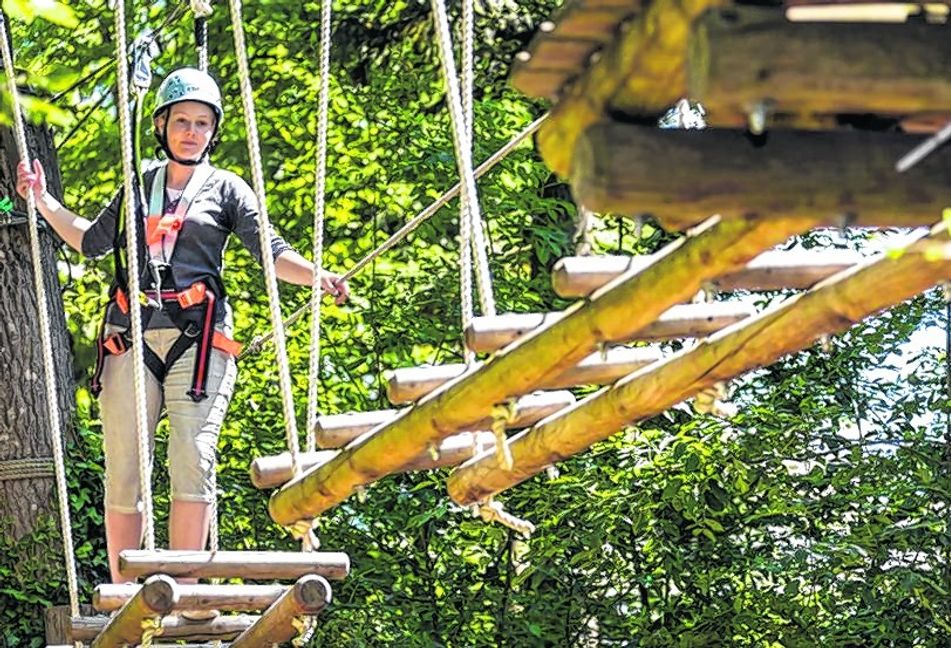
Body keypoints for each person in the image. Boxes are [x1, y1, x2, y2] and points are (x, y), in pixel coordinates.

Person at [16, 68, 349, 602]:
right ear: (162, 127)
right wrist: (42, 201)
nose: (191, 132)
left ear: (213, 131)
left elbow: (272, 253)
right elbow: (91, 242)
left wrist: (320, 276)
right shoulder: (138, 186)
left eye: (201, 123)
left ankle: (185, 590)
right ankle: (126, 591)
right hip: (132, 335)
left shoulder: (227, 189)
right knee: (124, 467)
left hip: (199, 340)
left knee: (193, 455)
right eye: (181, 122)